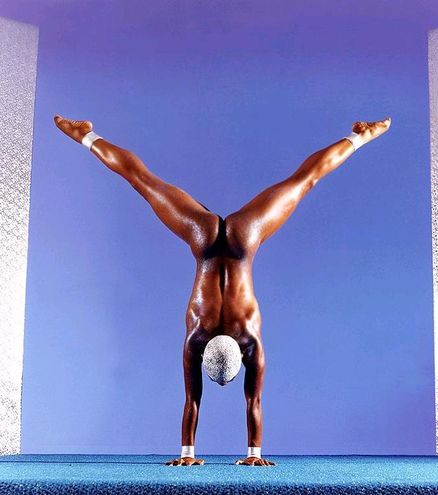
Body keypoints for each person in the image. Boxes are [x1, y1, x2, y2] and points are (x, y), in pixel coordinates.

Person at [54, 114, 391, 466]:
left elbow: (247, 402)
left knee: (303, 181)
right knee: (143, 181)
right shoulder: (198, 339)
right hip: (204, 241)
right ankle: (86, 136)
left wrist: (247, 454)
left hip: (244, 238)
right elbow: (198, 401)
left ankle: (360, 137)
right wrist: (194, 453)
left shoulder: (246, 339)